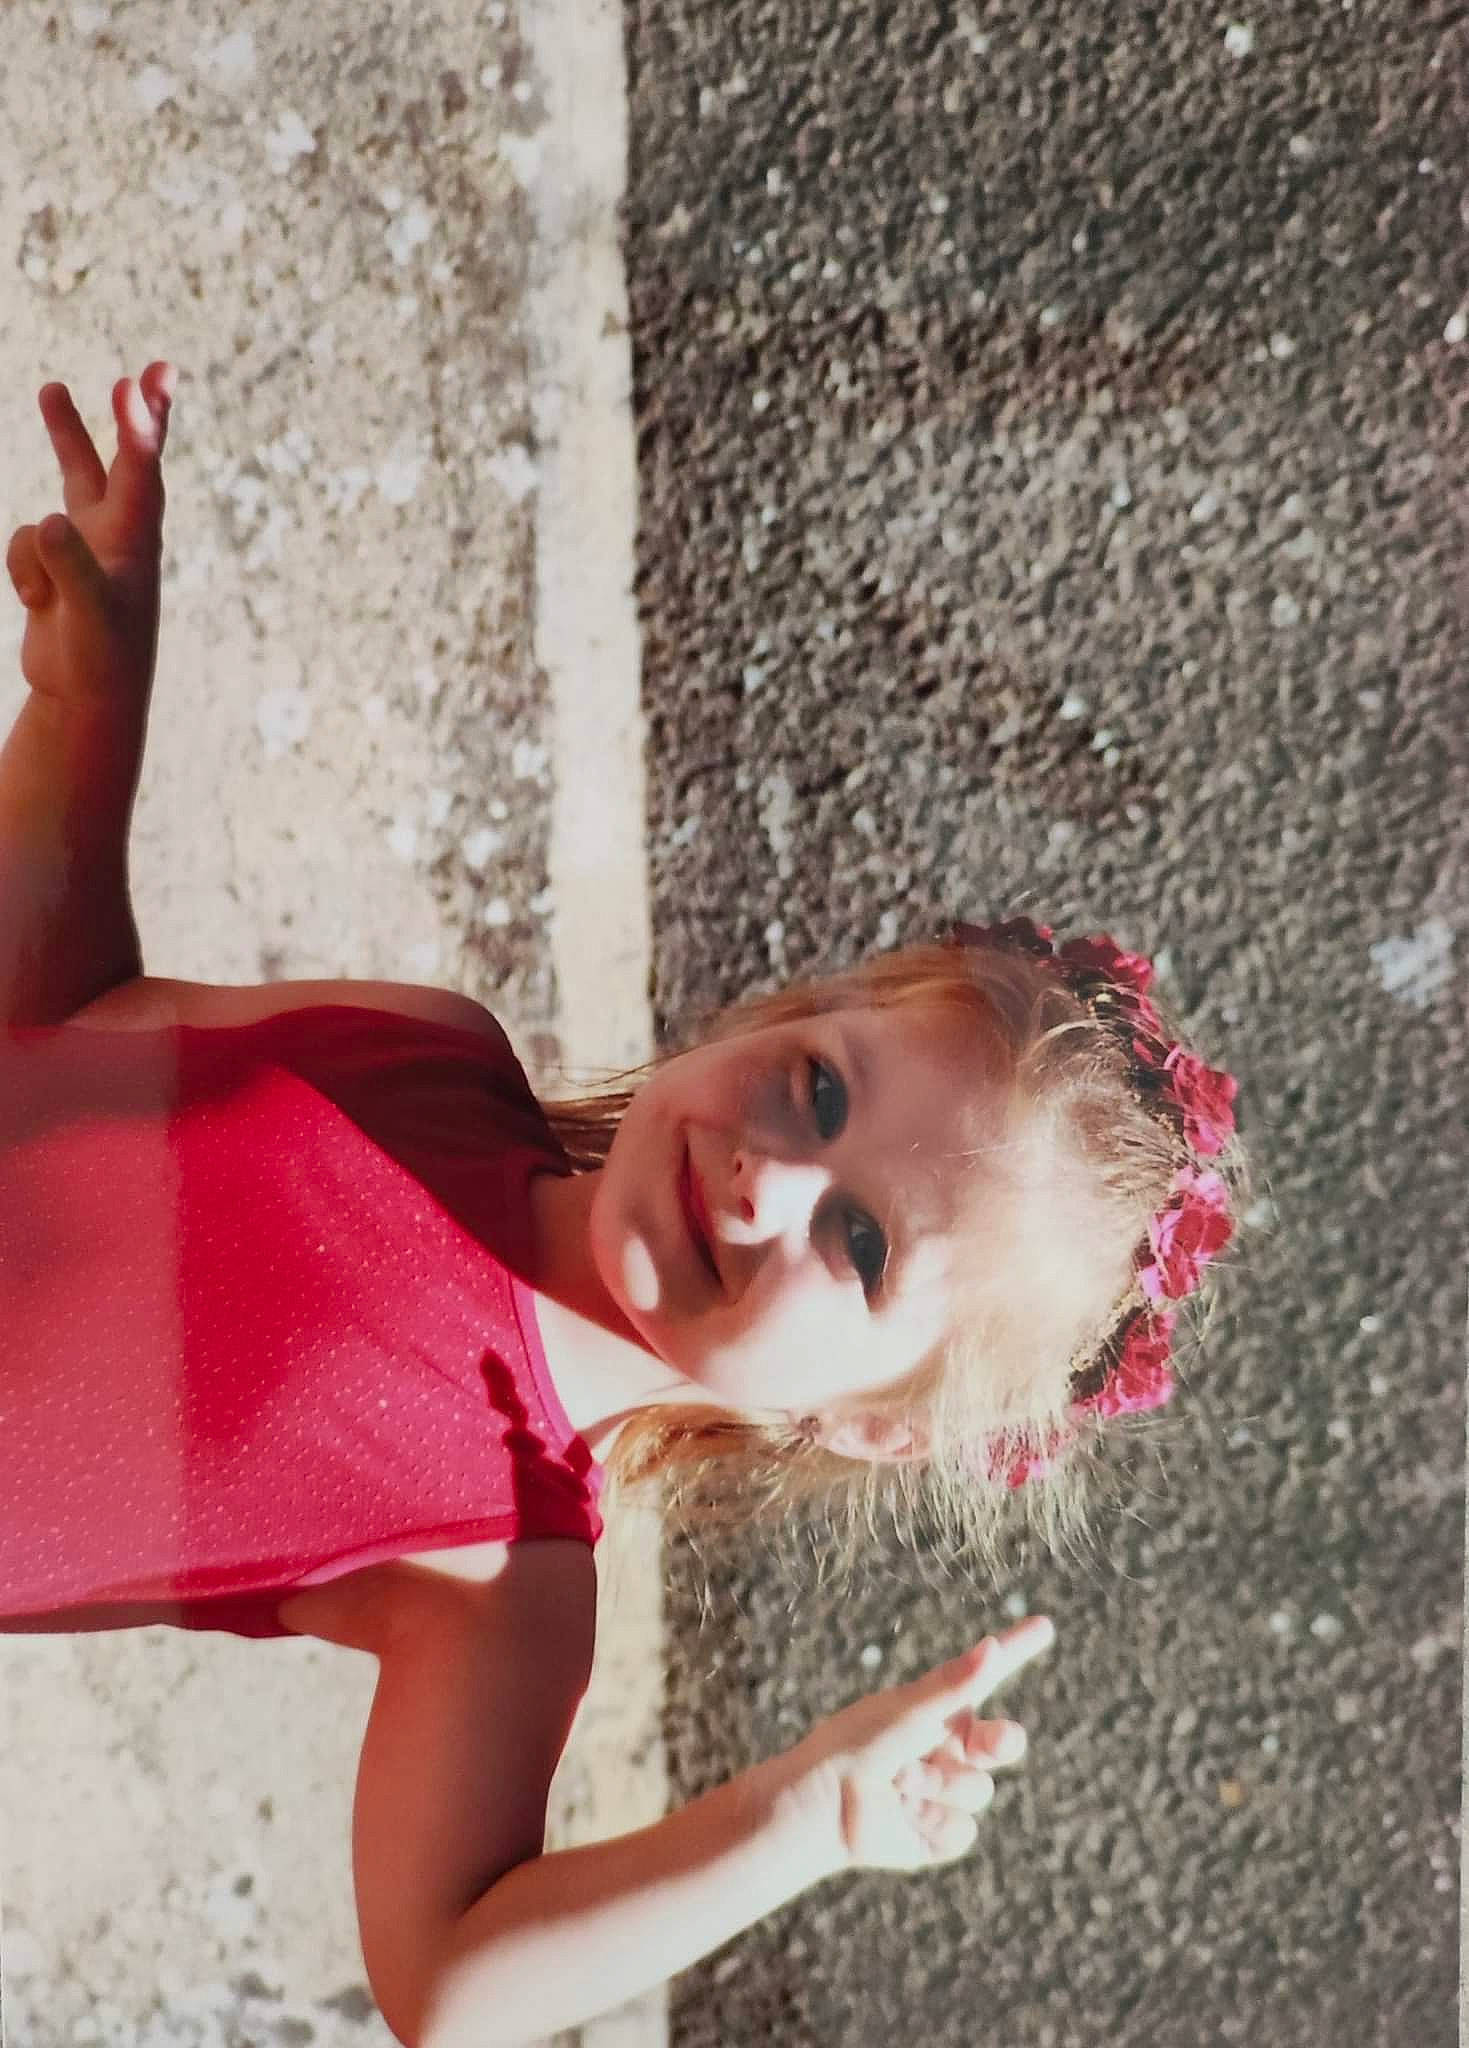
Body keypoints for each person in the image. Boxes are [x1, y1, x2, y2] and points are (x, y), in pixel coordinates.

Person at [1, 364, 1243, 2047]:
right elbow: (56, 1022)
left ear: (862, 1425)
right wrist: (91, 710)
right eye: (815, 1084)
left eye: (861, 1243)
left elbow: (449, 1981)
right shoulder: (423, 1052)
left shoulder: (496, 1564)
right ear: (767, 1017)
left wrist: (804, 1816)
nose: (774, 1174)